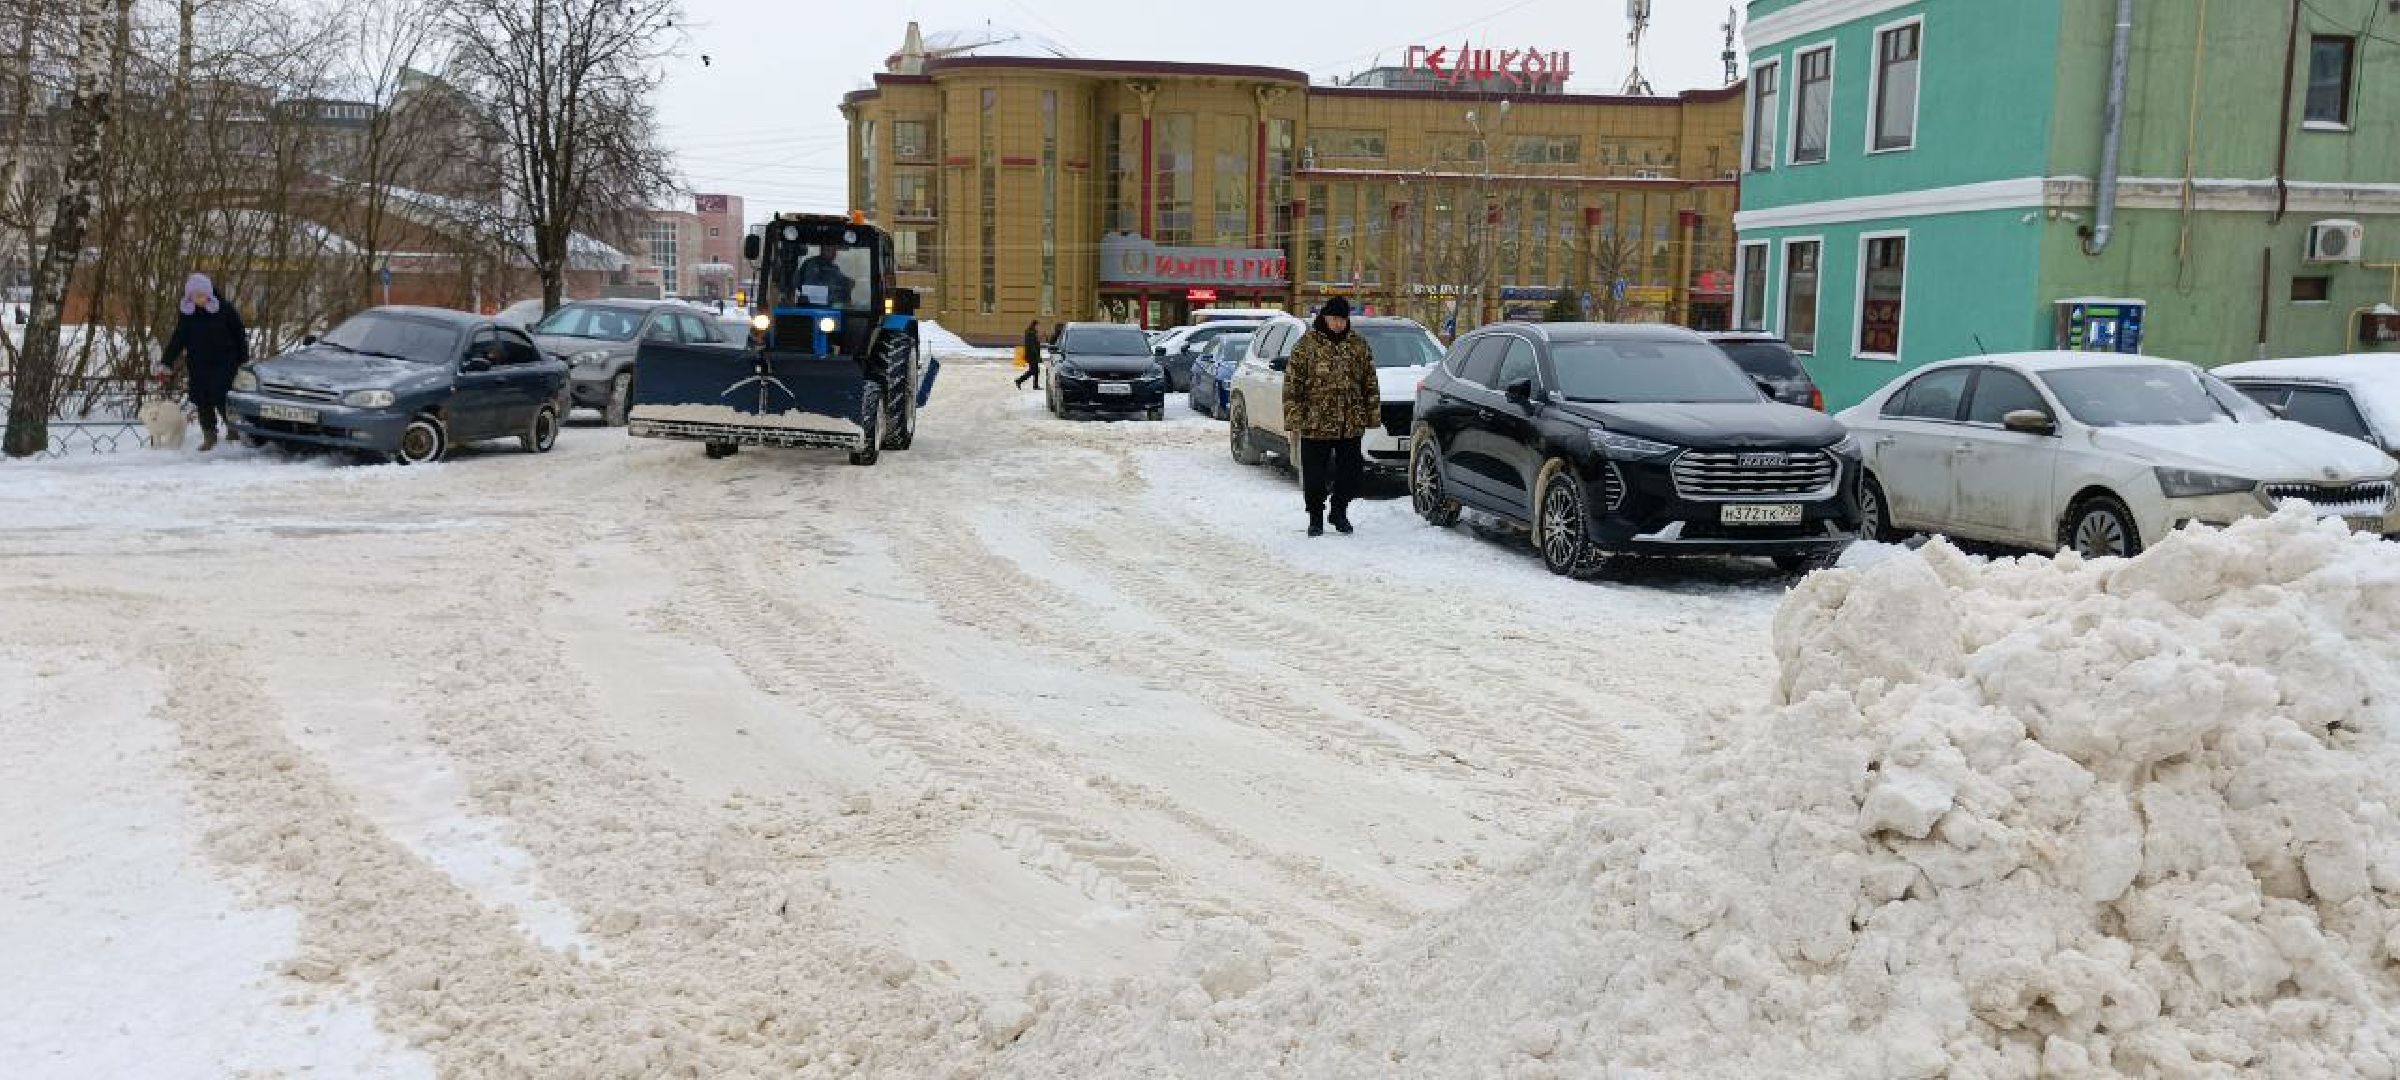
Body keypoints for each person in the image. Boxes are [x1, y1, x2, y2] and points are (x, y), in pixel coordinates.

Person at [1282, 297, 1379, 537]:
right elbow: (1292, 385)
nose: (1338, 324)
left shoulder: (1358, 345)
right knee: (1314, 476)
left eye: (1342, 319)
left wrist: (1372, 415)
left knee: (1352, 473)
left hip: (1350, 422)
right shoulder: (1306, 345)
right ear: (1324, 317)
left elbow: (1369, 382)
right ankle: (1315, 517)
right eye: (1334, 319)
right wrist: (1294, 418)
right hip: (1315, 422)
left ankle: (1339, 511)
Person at [155, 273, 248, 452]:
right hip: (198, 363)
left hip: (225, 362)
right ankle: (209, 435)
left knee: (221, 395)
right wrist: (166, 362)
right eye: (195, 296)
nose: (199, 300)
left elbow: (239, 333)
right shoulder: (188, 314)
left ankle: (233, 430)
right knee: (202, 399)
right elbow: (178, 339)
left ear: (209, 294)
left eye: (201, 295)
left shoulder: (225, 309)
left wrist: (243, 359)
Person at [1016, 320, 1044, 389]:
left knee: (1036, 370)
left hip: (1033, 355)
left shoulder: (1032, 332)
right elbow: (1032, 346)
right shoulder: (1031, 333)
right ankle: (1019, 380)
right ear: (1035, 325)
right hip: (1032, 355)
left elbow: (1035, 344)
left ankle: (1035, 385)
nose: (1039, 327)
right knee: (1033, 371)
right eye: (1038, 326)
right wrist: (1037, 356)